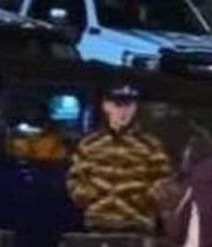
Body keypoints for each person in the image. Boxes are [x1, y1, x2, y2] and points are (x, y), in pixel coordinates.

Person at [67, 81, 172, 233]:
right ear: (106, 106)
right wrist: (91, 196)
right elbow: (75, 180)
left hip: (137, 224)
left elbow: (163, 182)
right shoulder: (90, 144)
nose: (124, 111)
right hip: (98, 223)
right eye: (118, 105)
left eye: (129, 105)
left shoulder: (150, 145)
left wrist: (141, 199)